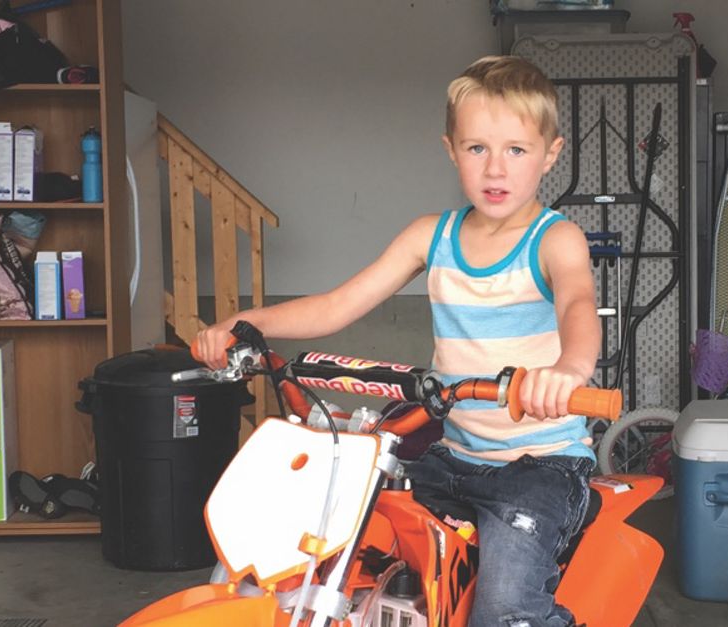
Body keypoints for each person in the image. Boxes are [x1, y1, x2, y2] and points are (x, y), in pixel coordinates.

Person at [196, 55, 600, 627]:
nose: (495, 168)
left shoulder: (555, 239)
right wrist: (247, 323)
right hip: (451, 456)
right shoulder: (429, 235)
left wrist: (570, 370)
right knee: (348, 539)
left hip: (540, 467)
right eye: (476, 148)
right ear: (450, 149)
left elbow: (579, 302)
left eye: (516, 149)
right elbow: (338, 304)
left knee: (505, 608)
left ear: (550, 154)